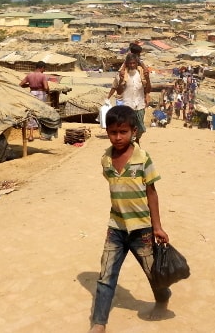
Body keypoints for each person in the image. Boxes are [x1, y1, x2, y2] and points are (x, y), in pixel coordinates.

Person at [89, 105, 170, 332]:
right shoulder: (105, 159)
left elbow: (151, 192)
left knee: (152, 272)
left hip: (142, 230)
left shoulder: (143, 158)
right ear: (107, 132)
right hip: (115, 227)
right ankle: (99, 322)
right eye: (113, 132)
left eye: (123, 132)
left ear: (134, 131)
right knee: (105, 275)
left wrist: (157, 227)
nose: (117, 137)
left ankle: (163, 299)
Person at [106, 53, 150, 143]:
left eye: (134, 63)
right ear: (127, 63)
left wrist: (148, 79)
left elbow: (148, 88)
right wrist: (121, 80)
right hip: (127, 106)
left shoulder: (141, 74)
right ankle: (131, 145)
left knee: (140, 128)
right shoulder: (122, 75)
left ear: (137, 63)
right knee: (129, 127)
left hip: (140, 105)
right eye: (130, 63)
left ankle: (136, 140)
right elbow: (118, 91)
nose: (132, 65)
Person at [19, 61, 49, 141]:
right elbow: (46, 87)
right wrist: (47, 90)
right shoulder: (43, 76)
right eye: (44, 68)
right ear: (42, 67)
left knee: (31, 113)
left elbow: (20, 84)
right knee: (41, 113)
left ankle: (31, 136)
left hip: (32, 93)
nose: (44, 70)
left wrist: (30, 85)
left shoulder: (29, 75)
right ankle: (42, 135)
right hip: (41, 94)